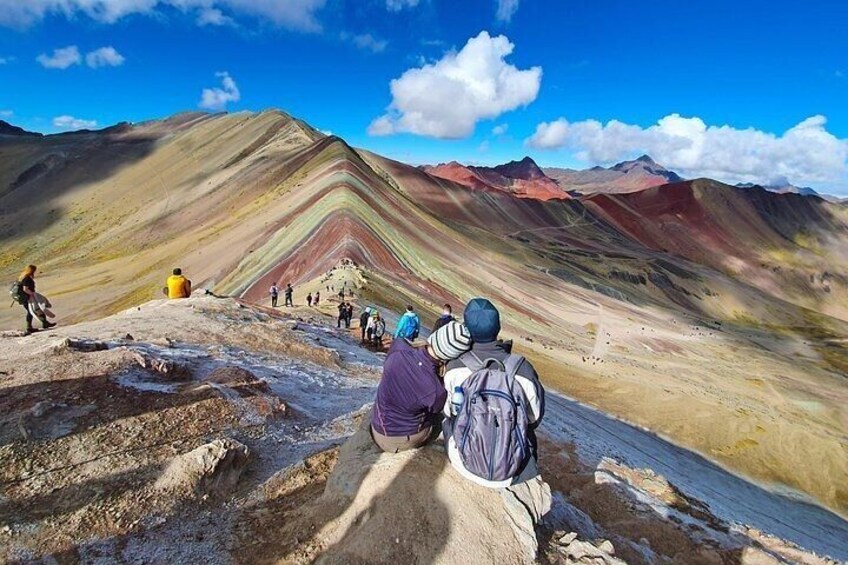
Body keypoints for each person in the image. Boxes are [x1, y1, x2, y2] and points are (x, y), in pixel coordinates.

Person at [443, 298, 545, 488]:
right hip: (512, 470)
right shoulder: (523, 370)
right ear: (497, 327)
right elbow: (534, 418)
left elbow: (450, 411)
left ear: (467, 329)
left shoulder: (455, 367)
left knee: (447, 419)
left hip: (463, 463)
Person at [371, 321, 472, 453]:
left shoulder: (399, 347)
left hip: (377, 425)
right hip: (400, 439)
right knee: (441, 419)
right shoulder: (435, 390)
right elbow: (436, 409)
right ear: (451, 356)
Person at [17, 265, 55, 334]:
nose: (35, 271)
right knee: (33, 311)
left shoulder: (24, 277)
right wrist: (32, 295)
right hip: (28, 298)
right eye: (34, 270)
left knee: (35, 310)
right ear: (31, 270)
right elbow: (25, 289)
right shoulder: (27, 278)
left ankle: (43, 324)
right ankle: (31, 327)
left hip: (26, 297)